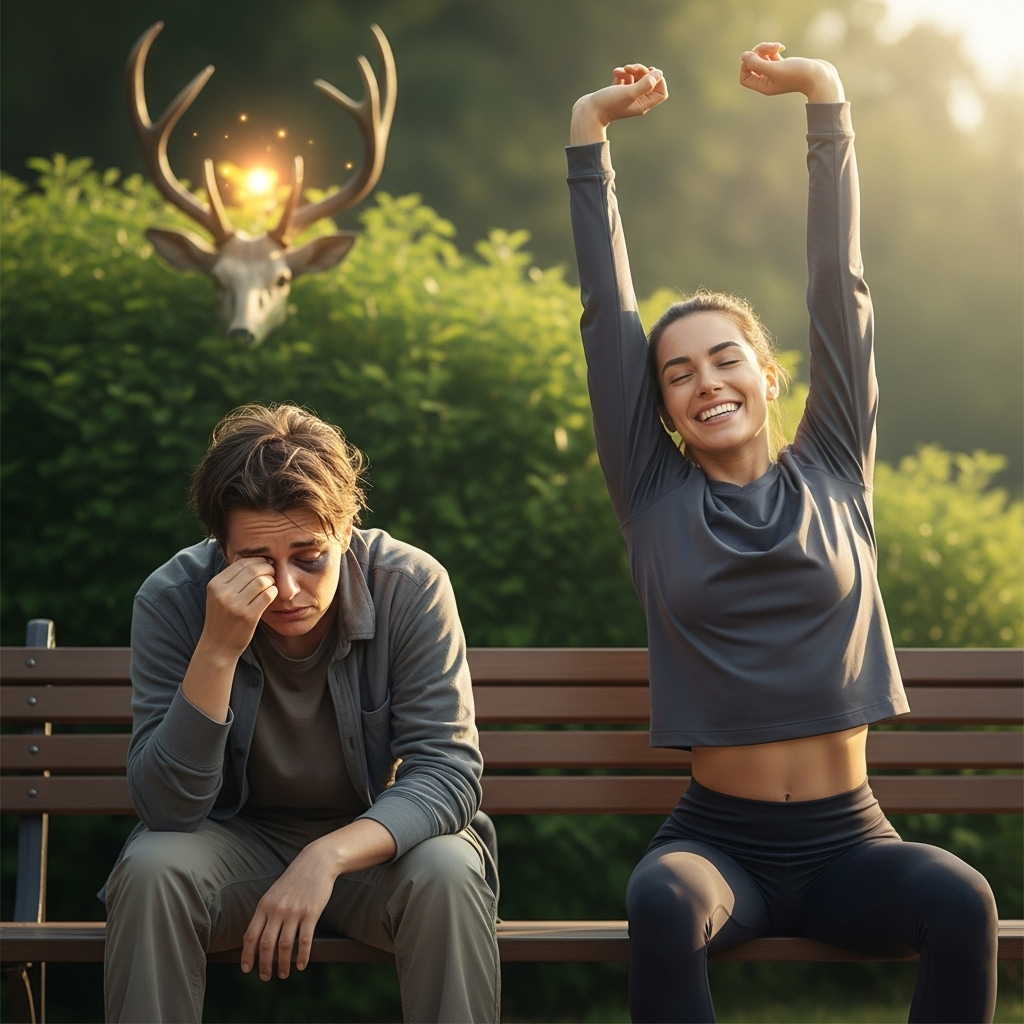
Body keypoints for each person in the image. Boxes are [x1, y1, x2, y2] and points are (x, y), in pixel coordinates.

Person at [566, 43, 997, 1023]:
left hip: (851, 843)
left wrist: (825, 102)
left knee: (960, 897)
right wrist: (588, 137)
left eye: (725, 360)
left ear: (768, 376)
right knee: (659, 899)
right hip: (718, 844)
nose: (704, 381)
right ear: (663, 409)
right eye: (678, 374)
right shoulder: (651, 495)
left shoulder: (836, 462)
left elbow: (838, 288)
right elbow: (606, 316)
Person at [102, 403, 500, 1024]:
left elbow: (447, 774)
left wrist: (326, 857)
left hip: (374, 848)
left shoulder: (410, 585)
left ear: (346, 531)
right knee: (152, 869)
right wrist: (216, 649)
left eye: (309, 556)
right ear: (220, 546)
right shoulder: (173, 598)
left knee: (448, 871)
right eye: (256, 560)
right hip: (235, 843)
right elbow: (167, 809)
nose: (285, 589)